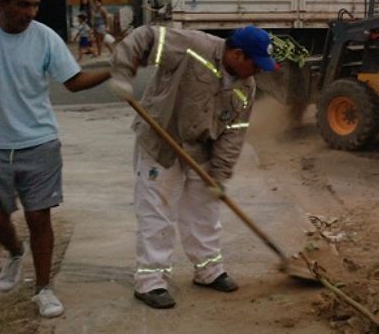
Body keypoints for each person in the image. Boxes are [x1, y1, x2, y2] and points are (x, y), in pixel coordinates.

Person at [0, 0, 111, 318]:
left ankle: (43, 288)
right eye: (23, 5)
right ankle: (16, 252)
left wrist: (114, 70)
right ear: (1, 2)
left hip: (39, 141)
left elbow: (74, 81)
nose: (30, 13)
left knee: (38, 216)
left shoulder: (45, 37)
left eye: (35, 5)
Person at [108, 24, 277, 309]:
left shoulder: (246, 87)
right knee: (157, 212)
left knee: (205, 211)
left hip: (201, 148)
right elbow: (145, 36)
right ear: (238, 54)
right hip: (161, 143)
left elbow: (234, 133)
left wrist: (220, 174)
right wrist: (122, 73)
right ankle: (150, 281)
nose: (258, 71)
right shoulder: (193, 46)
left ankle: (208, 269)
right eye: (256, 64)